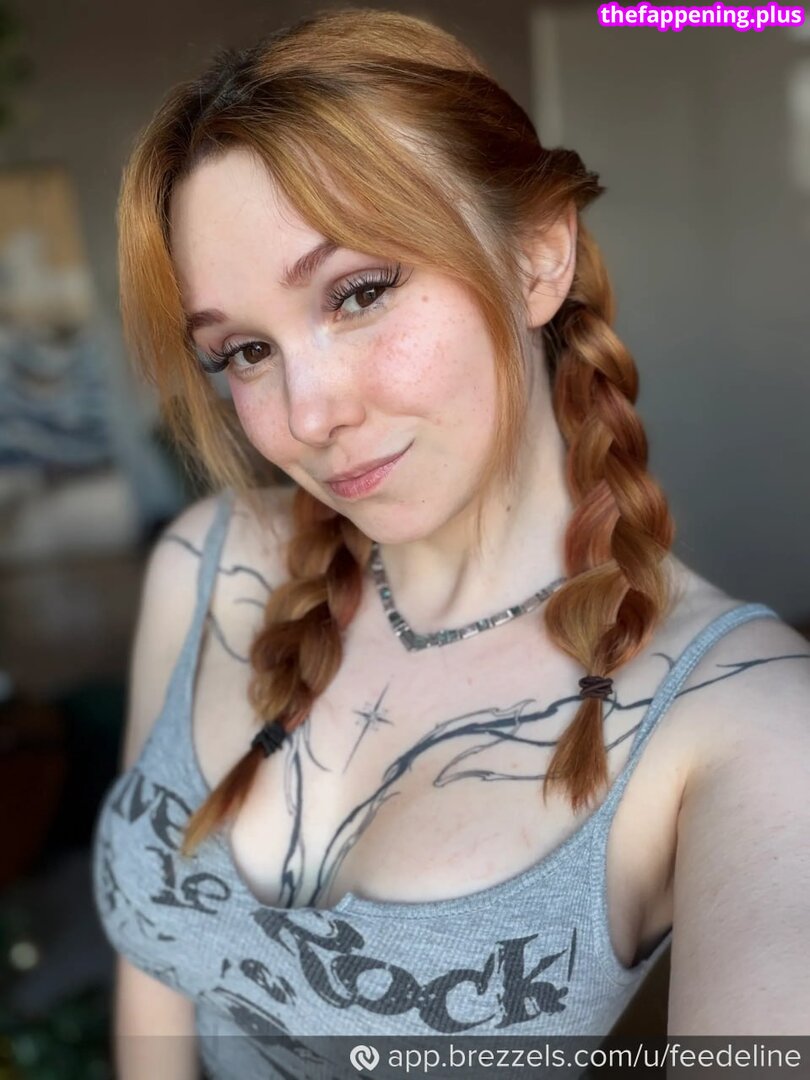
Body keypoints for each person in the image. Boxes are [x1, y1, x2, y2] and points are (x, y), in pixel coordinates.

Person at [91, 7, 810, 1079]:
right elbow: (155, 977)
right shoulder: (208, 566)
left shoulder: (748, 721)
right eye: (243, 351)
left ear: (538, 256)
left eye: (359, 293)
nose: (308, 414)